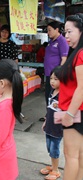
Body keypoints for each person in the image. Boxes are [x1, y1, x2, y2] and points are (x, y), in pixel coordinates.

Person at [58, 13, 83, 180]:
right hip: (74, 111)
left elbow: (82, 88)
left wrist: (69, 114)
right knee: (79, 157)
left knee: (71, 156)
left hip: (74, 112)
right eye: (65, 32)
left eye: (69, 31)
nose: (66, 36)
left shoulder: (80, 54)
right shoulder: (76, 52)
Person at [40, 21, 69, 122]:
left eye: (50, 30)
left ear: (57, 30)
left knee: (55, 94)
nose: (48, 32)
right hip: (48, 73)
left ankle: (53, 114)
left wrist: (59, 74)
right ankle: (49, 114)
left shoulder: (62, 41)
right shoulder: (51, 41)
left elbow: (64, 58)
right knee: (48, 94)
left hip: (55, 75)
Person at [40, 66, 63, 180]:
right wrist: (46, 121)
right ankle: (53, 166)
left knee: (54, 149)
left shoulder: (63, 94)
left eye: (56, 79)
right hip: (49, 125)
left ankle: (56, 170)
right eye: (51, 79)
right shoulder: (52, 91)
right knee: (49, 147)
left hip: (57, 128)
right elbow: (49, 109)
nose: (52, 81)